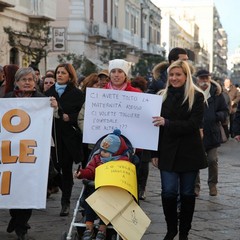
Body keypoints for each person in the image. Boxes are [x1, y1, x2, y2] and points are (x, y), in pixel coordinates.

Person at [151, 60, 207, 240]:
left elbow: (193, 125)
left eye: (178, 75)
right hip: (167, 151)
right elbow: (154, 128)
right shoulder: (161, 96)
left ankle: (184, 232)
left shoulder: (196, 96)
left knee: (187, 194)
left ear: (186, 76)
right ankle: (171, 229)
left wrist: (167, 123)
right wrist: (154, 153)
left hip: (189, 152)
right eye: (172, 75)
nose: (174, 78)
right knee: (168, 192)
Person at [4, 67, 58, 240]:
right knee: (14, 186)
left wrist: (54, 108)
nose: (27, 82)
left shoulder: (43, 100)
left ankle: (21, 225)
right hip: (11, 152)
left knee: (28, 187)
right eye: (24, 79)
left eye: (31, 79)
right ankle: (16, 218)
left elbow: (54, 120)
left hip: (32, 153)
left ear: (35, 82)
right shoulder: (6, 99)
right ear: (17, 82)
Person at [44, 63, 85, 217]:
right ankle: (65, 187)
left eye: (63, 73)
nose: (59, 75)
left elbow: (80, 114)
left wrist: (70, 117)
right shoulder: (49, 91)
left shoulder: (77, 94)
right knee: (54, 169)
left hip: (68, 138)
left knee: (66, 169)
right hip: (52, 138)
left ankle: (65, 202)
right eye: (58, 72)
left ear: (70, 75)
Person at [74, 129, 130, 240]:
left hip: (112, 191)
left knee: (108, 203)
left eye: (105, 151)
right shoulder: (97, 159)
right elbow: (90, 171)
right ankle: (89, 227)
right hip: (96, 188)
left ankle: (102, 227)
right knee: (91, 201)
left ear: (114, 153)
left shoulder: (123, 162)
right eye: (101, 150)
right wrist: (81, 173)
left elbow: (125, 176)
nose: (102, 153)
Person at [195, 70, 228, 197]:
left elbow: (225, 111)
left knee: (212, 160)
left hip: (213, 132)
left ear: (209, 79)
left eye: (206, 78)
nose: (204, 80)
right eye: (201, 78)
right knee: (195, 161)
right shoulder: (194, 92)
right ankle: (195, 187)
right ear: (197, 80)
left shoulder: (217, 93)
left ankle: (212, 185)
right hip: (196, 134)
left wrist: (215, 116)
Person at [131, 76, 151, 200]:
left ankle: (142, 187)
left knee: (143, 165)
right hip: (133, 141)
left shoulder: (147, 102)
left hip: (144, 140)